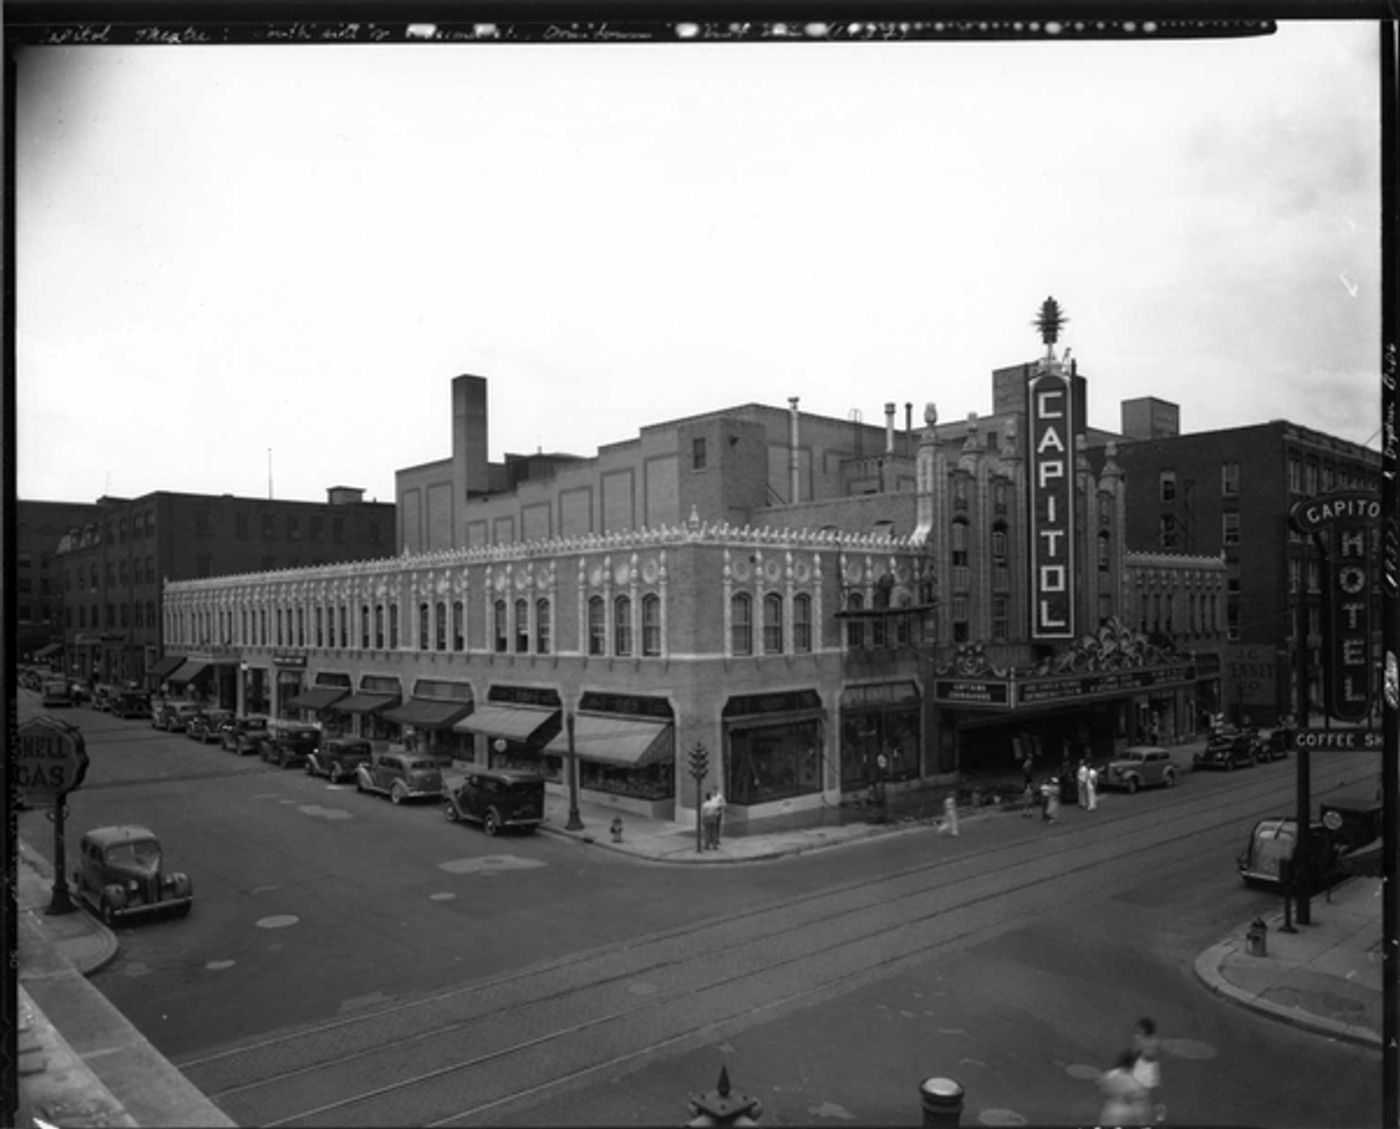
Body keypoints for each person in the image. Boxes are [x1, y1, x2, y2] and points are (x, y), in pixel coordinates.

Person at [1099, 1048, 1153, 1127]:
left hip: (1112, 1110)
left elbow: (1104, 1091)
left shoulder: (1111, 1074)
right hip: (1131, 1112)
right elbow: (1143, 1098)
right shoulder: (1139, 1078)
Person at [1132, 1017, 1164, 1122]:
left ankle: (1159, 1109)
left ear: (1147, 1032)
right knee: (1135, 1089)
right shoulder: (1139, 1039)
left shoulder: (1154, 1042)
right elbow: (1135, 1052)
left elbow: (1150, 1056)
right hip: (1139, 1065)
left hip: (1149, 1069)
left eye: (1140, 1031)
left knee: (1150, 1094)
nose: (1137, 1034)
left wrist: (1143, 1046)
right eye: (1137, 1031)